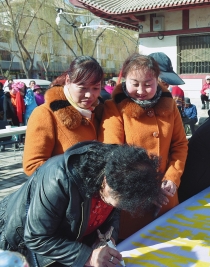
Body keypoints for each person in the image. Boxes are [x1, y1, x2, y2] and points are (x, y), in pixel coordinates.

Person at [0, 141, 164, 267]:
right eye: (114, 201)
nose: (116, 207)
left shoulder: (121, 169)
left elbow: (113, 212)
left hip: (68, 246)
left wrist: (108, 238)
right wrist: (88, 256)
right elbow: (36, 238)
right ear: (106, 182)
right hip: (25, 250)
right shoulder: (58, 178)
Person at [99, 53, 188, 238]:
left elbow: (180, 145)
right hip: (132, 204)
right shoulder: (114, 107)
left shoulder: (169, 105)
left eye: (148, 84)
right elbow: (115, 155)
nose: (141, 90)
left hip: (166, 197)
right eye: (135, 83)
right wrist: (148, 192)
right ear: (124, 80)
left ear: (157, 80)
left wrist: (172, 178)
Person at [23, 56, 104, 176]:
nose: (89, 95)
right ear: (68, 81)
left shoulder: (100, 111)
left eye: (96, 88)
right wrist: (78, 175)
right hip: (65, 193)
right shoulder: (45, 114)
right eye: (82, 88)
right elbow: (32, 166)